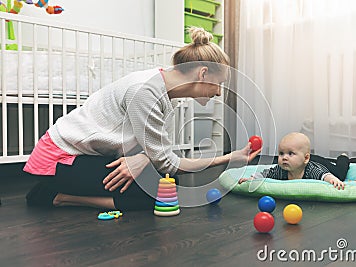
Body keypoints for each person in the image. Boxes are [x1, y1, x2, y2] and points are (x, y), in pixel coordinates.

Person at [24, 27, 261, 211]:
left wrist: (143, 159)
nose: (218, 93)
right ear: (203, 73)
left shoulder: (166, 92)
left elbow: (156, 152)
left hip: (87, 155)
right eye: (218, 84)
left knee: (167, 186)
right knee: (156, 194)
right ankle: (56, 196)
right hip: (59, 158)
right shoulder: (146, 91)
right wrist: (228, 158)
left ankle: (63, 191)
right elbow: (166, 162)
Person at [238, 132, 349, 190]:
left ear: (305, 158)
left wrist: (333, 179)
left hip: (318, 162)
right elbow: (265, 174)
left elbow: (324, 175)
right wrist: (251, 179)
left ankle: (343, 158)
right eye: (281, 153)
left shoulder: (311, 170)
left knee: (340, 174)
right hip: (303, 159)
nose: (284, 157)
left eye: (290, 153)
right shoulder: (281, 169)